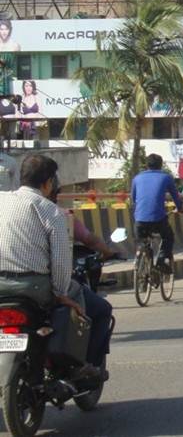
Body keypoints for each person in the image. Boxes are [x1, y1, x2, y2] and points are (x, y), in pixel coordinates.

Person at [0, 155, 106, 381]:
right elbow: (60, 262)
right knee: (93, 305)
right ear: (48, 183)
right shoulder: (51, 211)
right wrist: (61, 294)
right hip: (32, 287)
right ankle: (82, 366)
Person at [46, 176, 116, 374]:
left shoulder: (7, 210)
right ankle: (88, 366)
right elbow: (89, 240)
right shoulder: (59, 215)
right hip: (42, 287)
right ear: (49, 187)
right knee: (100, 310)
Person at [131, 154, 183, 271]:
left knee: (140, 240)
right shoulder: (166, 177)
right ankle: (161, 259)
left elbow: (133, 199)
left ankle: (140, 252)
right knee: (168, 237)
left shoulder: (137, 178)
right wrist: (181, 208)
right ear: (161, 165)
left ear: (146, 165)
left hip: (139, 219)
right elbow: (176, 197)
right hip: (158, 220)